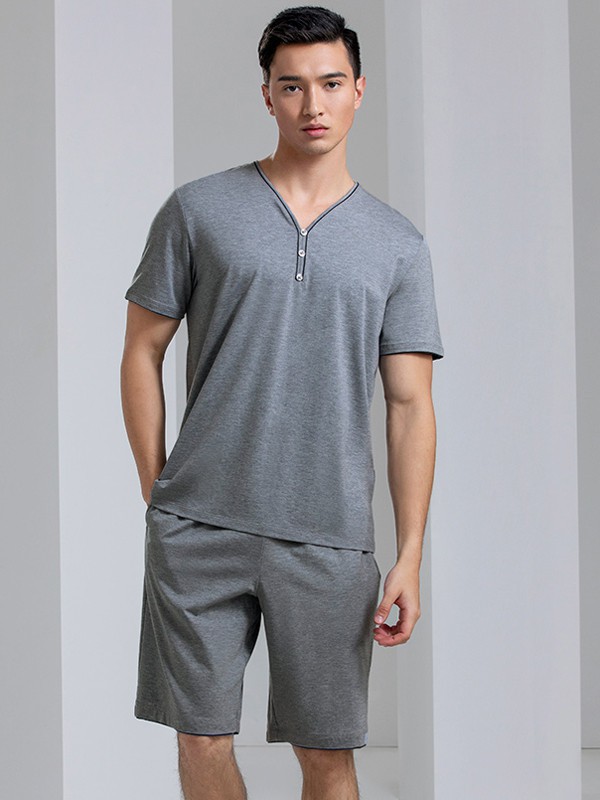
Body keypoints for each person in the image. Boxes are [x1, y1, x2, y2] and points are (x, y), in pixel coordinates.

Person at [120, 6, 444, 799]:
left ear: (359, 90)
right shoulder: (199, 210)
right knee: (201, 740)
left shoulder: (397, 245)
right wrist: (159, 491)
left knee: (326, 757)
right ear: (267, 95)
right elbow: (141, 350)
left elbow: (409, 404)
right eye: (292, 86)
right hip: (199, 528)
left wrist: (408, 553)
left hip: (329, 538)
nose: (313, 105)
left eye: (330, 83)